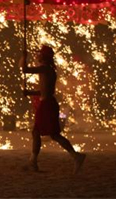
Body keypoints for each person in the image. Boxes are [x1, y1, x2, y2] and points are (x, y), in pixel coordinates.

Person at [20, 45, 86, 174]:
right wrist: (30, 92)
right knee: (40, 132)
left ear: (44, 56)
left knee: (50, 134)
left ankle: (75, 156)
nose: (37, 55)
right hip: (47, 103)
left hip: (47, 105)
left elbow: (25, 69)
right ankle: (33, 161)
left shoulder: (45, 68)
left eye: (40, 53)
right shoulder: (47, 70)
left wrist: (24, 56)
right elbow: (44, 90)